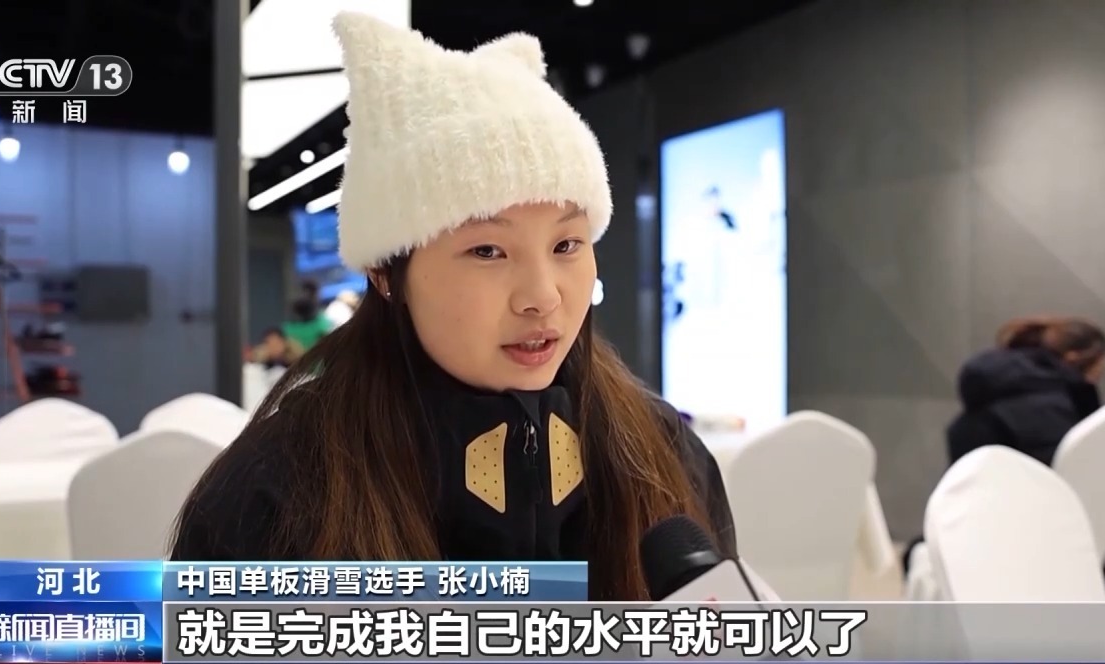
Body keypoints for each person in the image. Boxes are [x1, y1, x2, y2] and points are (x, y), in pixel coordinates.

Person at [168, 12, 735, 600]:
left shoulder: (663, 454)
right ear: (385, 272)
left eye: (567, 244)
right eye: (488, 250)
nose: (543, 296)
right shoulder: (279, 493)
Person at [929, 315, 1105, 593]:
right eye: (1099, 368)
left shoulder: (991, 398)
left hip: (970, 542)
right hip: (1038, 558)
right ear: (1076, 359)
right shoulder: (1055, 411)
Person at [946, 316, 1105, 466]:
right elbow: (1064, 474)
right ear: (1074, 358)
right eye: (1100, 362)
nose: (1101, 371)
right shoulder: (1050, 409)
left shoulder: (992, 394)